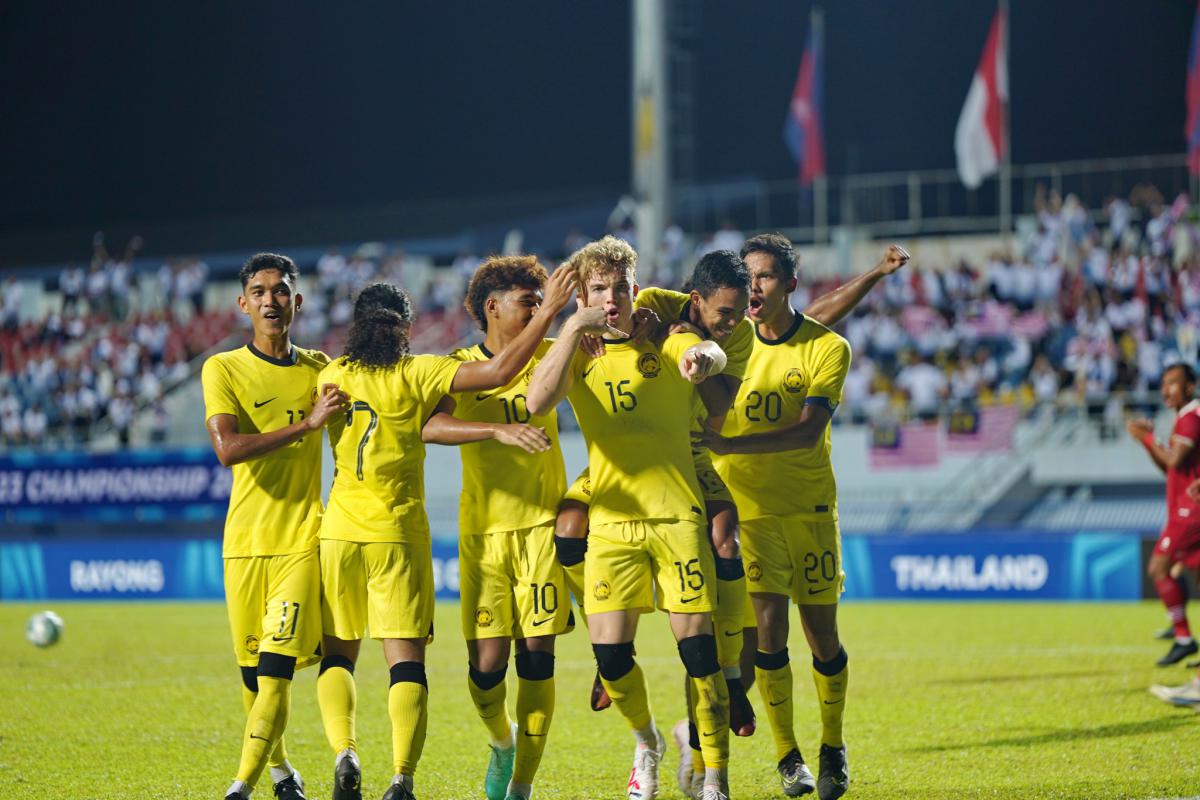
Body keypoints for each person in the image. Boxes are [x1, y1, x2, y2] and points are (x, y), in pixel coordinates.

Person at [314, 268, 574, 800]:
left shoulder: (330, 375)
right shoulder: (421, 371)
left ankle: (346, 752)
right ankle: (402, 777)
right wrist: (499, 426)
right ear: (407, 328)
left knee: (338, 656)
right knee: (413, 664)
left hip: (339, 531)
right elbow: (497, 372)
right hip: (400, 531)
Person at [695, 234, 908, 800]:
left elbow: (810, 430)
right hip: (751, 515)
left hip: (809, 509)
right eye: (748, 277)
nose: (754, 287)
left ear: (789, 283)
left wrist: (732, 446)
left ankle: (832, 744)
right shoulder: (729, 343)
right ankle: (788, 755)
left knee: (823, 639)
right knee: (768, 636)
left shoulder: (827, 348)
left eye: (765, 277)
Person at [527, 236, 734, 800]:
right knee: (612, 658)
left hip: (676, 518)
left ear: (635, 289)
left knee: (700, 656)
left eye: (620, 288)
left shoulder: (660, 334)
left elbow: (705, 351)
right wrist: (573, 328)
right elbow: (537, 403)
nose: (612, 299)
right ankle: (648, 742)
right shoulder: (576, 350)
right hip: (613, 520)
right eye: (599, 290)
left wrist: (700, 358)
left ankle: (715, 778)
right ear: (582, 298)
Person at [421, 256, 580, 800]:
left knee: (536, 661)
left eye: (541, 301)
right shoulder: (459, 365)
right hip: (485, 532)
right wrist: (496, 430)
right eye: (528, 302)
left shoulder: (554, 353)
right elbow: (431, 425)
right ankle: (501, 739)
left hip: (541, 528)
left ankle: (521, 786)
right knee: (487, 669)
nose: (539, 310)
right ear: (492, 306)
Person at [202, 252, 350, 800]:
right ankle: (282, 772)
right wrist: (306, 425)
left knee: (276, 667)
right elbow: (227, 448)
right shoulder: (222, 368)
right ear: (243, 303)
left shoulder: (322, 370)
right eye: (260, 292)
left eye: (281, 290)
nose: (271, 300)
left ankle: (239, 786)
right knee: (252, 676)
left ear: (297, 301)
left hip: (301, 540)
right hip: (244, 542)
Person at [1127, 363, 1200, 668]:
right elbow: (1171, 468)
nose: (1165, 390)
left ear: (1189, 387)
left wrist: (1147, 439)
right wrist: (1150, 444)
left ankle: (1183, 638)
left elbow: (1174, 460)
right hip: (1184, 508)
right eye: (1163, 383)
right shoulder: (1183, 418)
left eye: (1173, 383)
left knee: (1159, 567)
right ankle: (1182, 635)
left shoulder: (1191, 419)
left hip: (1190, 511)